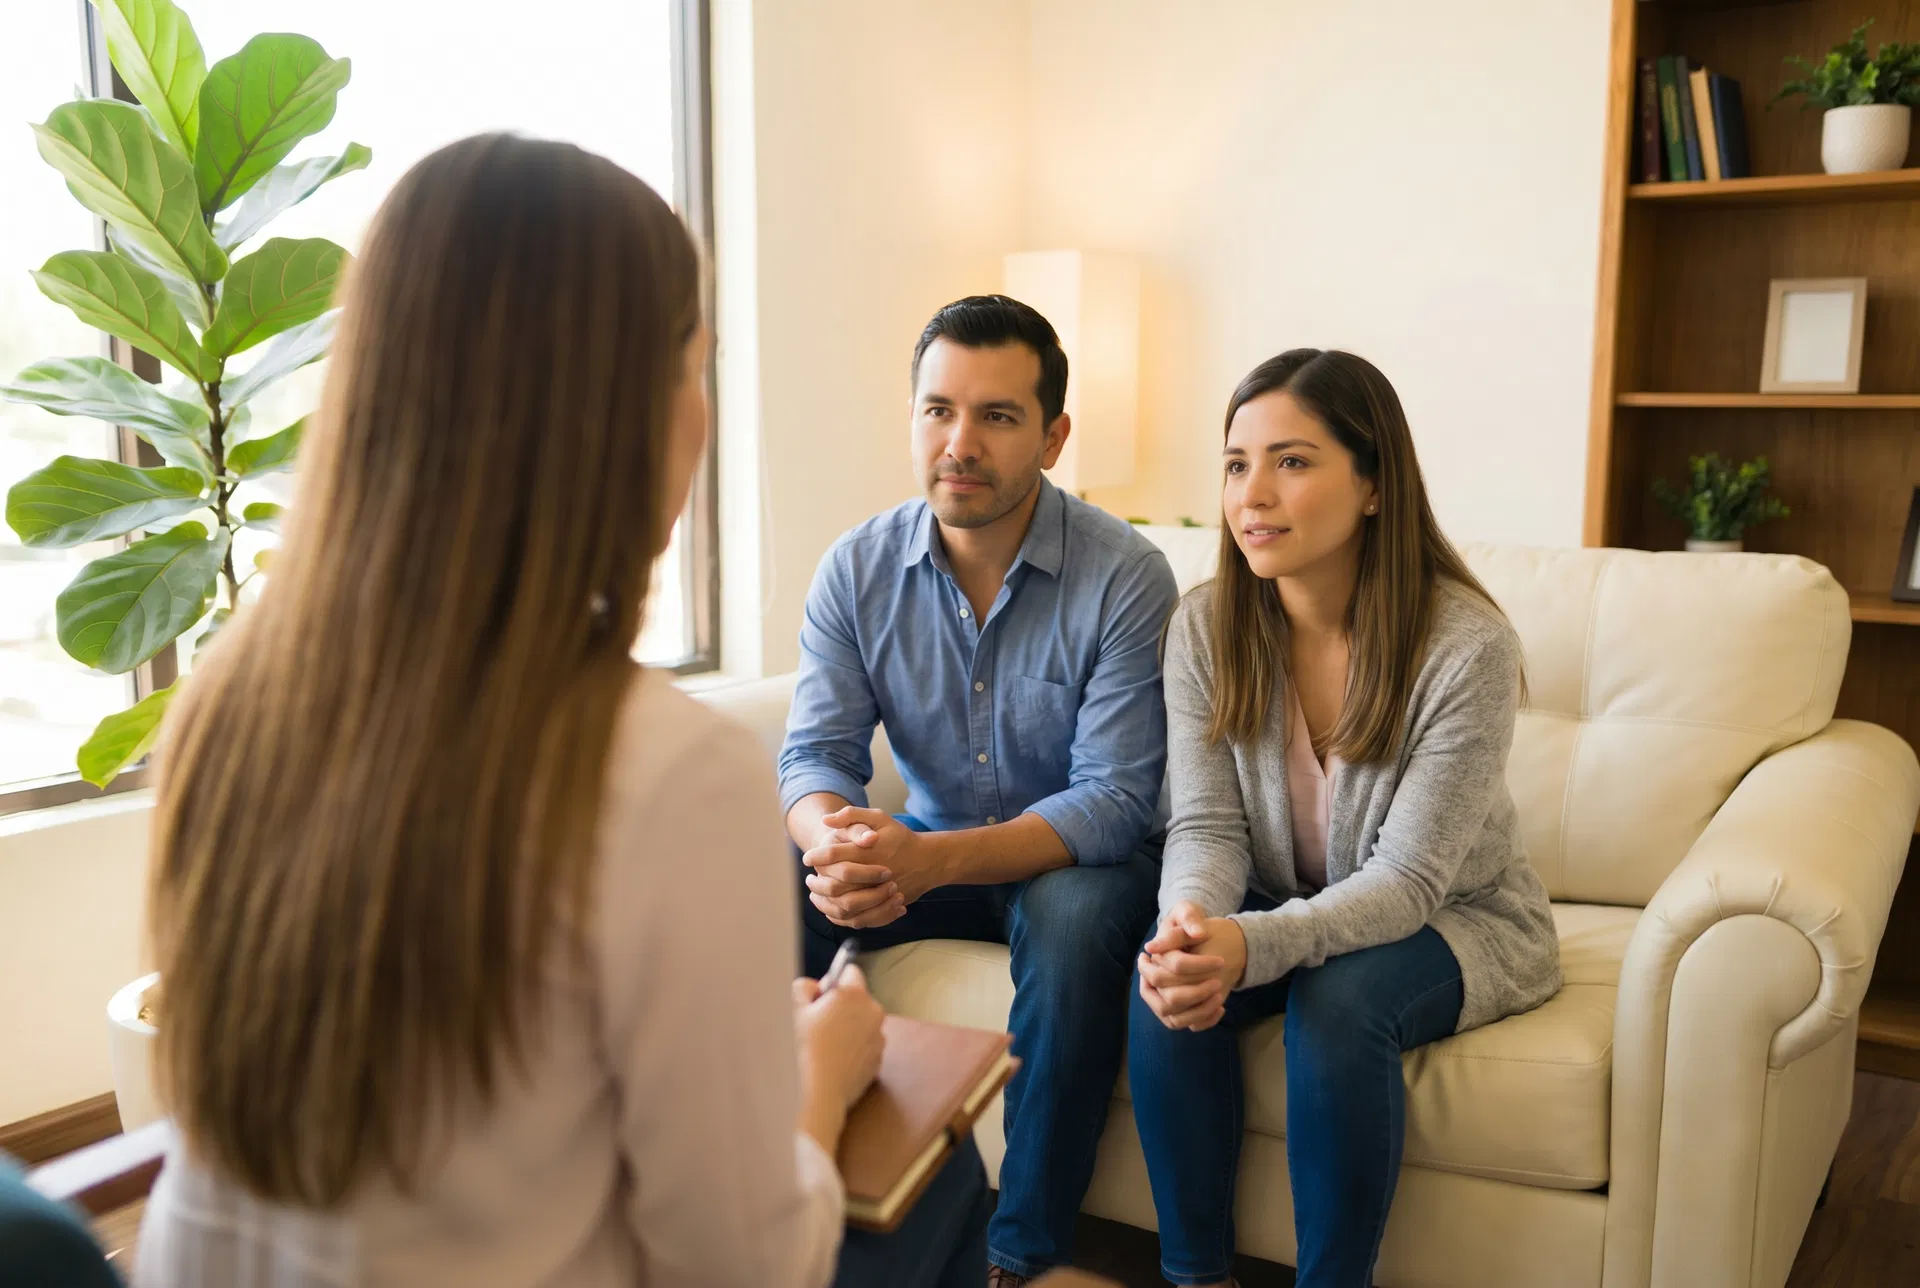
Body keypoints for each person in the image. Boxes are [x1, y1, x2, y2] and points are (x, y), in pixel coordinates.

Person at [134, 133, 986, 1288]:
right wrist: (817, 1077)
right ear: (618, 413)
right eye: (699, 368)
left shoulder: (229, 704)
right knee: (937, 1180)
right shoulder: (657, 768)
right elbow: (740, 1260)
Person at [1126, 350, 1562, 1288]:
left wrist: (1254, 945)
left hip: (1456, 919)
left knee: (1337, 1004)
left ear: (1372, 485)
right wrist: (1193, 929)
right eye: (1237, 464)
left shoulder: (1465, 648)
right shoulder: (1204, 627)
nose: (1254, 494)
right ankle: (1195, 1277)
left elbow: (1406, 882)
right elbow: (1204, 827)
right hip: (1281, 898)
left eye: (1292, 461)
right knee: (1166, 980)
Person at [779, 295, 1180, 1286]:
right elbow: (815, 755)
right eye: (937, 410)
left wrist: (922, 862)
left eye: (997, 416)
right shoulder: (856, 567)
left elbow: (1114, 800)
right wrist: (838, 846)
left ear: (1053, 435)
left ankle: (1017, 1256)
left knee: (1077, 915)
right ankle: (769, 1201)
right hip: (931, 841)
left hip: (1084, 860)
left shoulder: (1128, 575)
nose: (959, 442)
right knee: (770, 872)